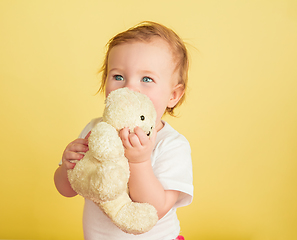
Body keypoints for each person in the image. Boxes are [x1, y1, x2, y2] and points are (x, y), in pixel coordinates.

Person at [54, 21, 193, 240]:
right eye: (118, 76)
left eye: (147, 79)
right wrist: (67, 166)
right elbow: (67, 189)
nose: (129, 88)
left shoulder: (172, 145)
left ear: (173, 96)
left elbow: (154, 210)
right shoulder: (95, 130)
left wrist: (139, 161)